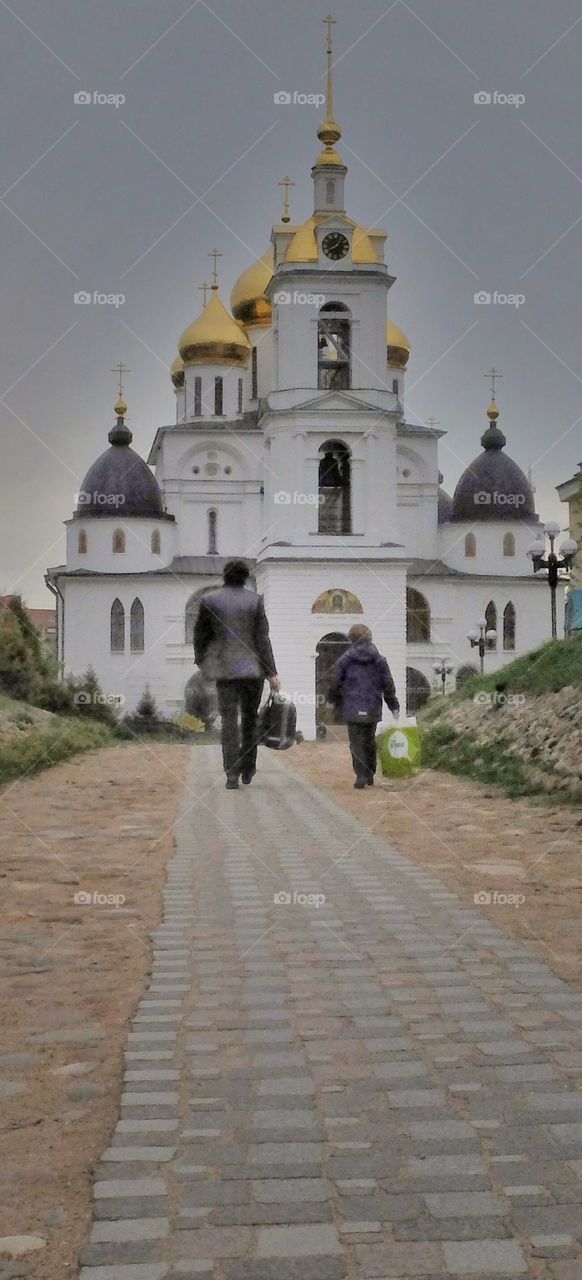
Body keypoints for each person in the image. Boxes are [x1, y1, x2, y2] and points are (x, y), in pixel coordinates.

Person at [193, 560, 280, 789]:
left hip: (225, 671)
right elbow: (263, 638)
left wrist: (202, 660)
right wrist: (272, 672)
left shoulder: (210, 600)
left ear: (225, 576)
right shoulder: (255, 601)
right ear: (245, 577)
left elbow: (200, 635)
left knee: (229, 722)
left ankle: (231, 774)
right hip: (253, 671)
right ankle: (248, 768)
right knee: (250, 720)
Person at [327, 623, 399, 789]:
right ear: (370, 638)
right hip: (373, 706)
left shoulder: (345, 660)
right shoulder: (380, 660)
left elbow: (336, 681)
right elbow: (388, 684)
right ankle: (370, 773)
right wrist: (393, 706)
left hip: (352, 706)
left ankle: (360, 775)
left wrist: (332, 700)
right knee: (369, 740)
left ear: (351, 639)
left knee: (356, 742)